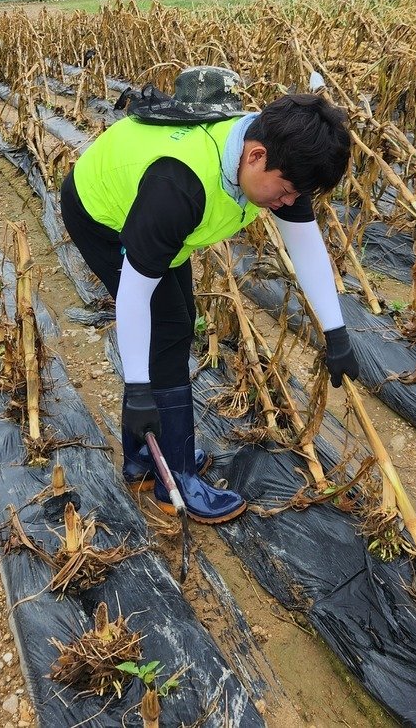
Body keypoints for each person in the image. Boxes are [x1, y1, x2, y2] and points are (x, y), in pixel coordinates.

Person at [60, 66, 362, 525]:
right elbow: (134, 297)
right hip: (102, 213)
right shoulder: (178, 188)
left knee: (178, 322)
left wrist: (337, 333)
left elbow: (305, 244)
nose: (286, 204)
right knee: (168, 327)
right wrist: (137, 387)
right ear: (255, 156)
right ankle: (174, 479)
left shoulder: (284, 159)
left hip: (156, 219)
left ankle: (144, 457)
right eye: (283, 193)